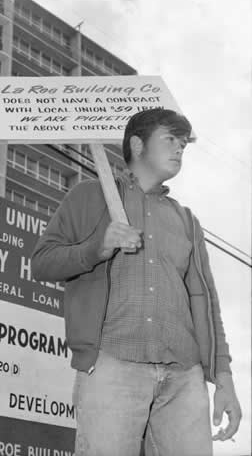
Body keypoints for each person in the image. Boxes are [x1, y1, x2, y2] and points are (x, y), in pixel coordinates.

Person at [31, 109, 241, 456]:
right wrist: (97, 247)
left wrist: (224, 378)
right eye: (170, 140)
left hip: (184, 377)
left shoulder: (188, 221)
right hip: (112, 365)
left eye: (183, 144)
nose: (179, 150)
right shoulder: (89, 196)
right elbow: (42, 262)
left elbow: (208, 304)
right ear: (137, 144)